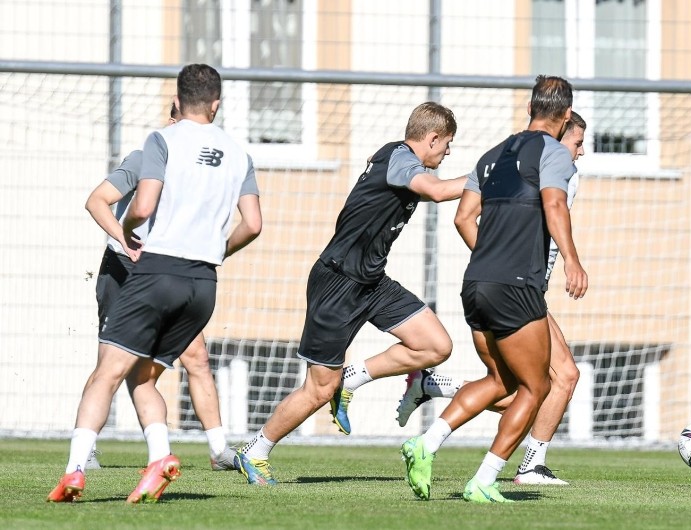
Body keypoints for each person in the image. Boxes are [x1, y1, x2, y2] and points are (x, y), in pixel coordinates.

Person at [47, 63, 262, 503]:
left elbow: (142, 207)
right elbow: (254, 223)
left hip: (156, 272)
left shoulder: (162, 141)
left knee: (106, 374)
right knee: (143, 377)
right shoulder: (240, 154)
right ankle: (161, 456)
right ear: (217, 104)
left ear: (177, 102)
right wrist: (217, 250)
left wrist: (129, 232)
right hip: (203, 284)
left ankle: (74, 469)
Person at [234, 102, 466, 486]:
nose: (448, 152)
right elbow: (439, 192)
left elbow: (432, 191)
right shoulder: (400, 158)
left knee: (435, 345)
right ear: (433, 138)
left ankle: (353, 377)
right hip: (337, 283)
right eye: (448, 144)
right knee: (318, 389)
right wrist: (491, 177)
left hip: (372, 282)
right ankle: (255, 451)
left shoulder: (400, 165)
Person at [401, 75, 588, 503]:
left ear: (529, 110)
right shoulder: (554, 152)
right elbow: (555, 203)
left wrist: (490, 256)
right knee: (535, 387)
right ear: (563, 116)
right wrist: (572, 260)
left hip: (476, 282)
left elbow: (463, 218)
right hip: (515, 285)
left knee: (501, 380)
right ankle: (485, 478)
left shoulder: (490, 156)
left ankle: (425, 444)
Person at [82, 102, 238, 473]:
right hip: (124, 269)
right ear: (173, 120)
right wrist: (124, 237)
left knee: (196, 357)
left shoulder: (200, 168)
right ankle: (85, 447)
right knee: (113, 364)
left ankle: (219, 450)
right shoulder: (147, 157)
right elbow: (97, 200)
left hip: (167, 272)